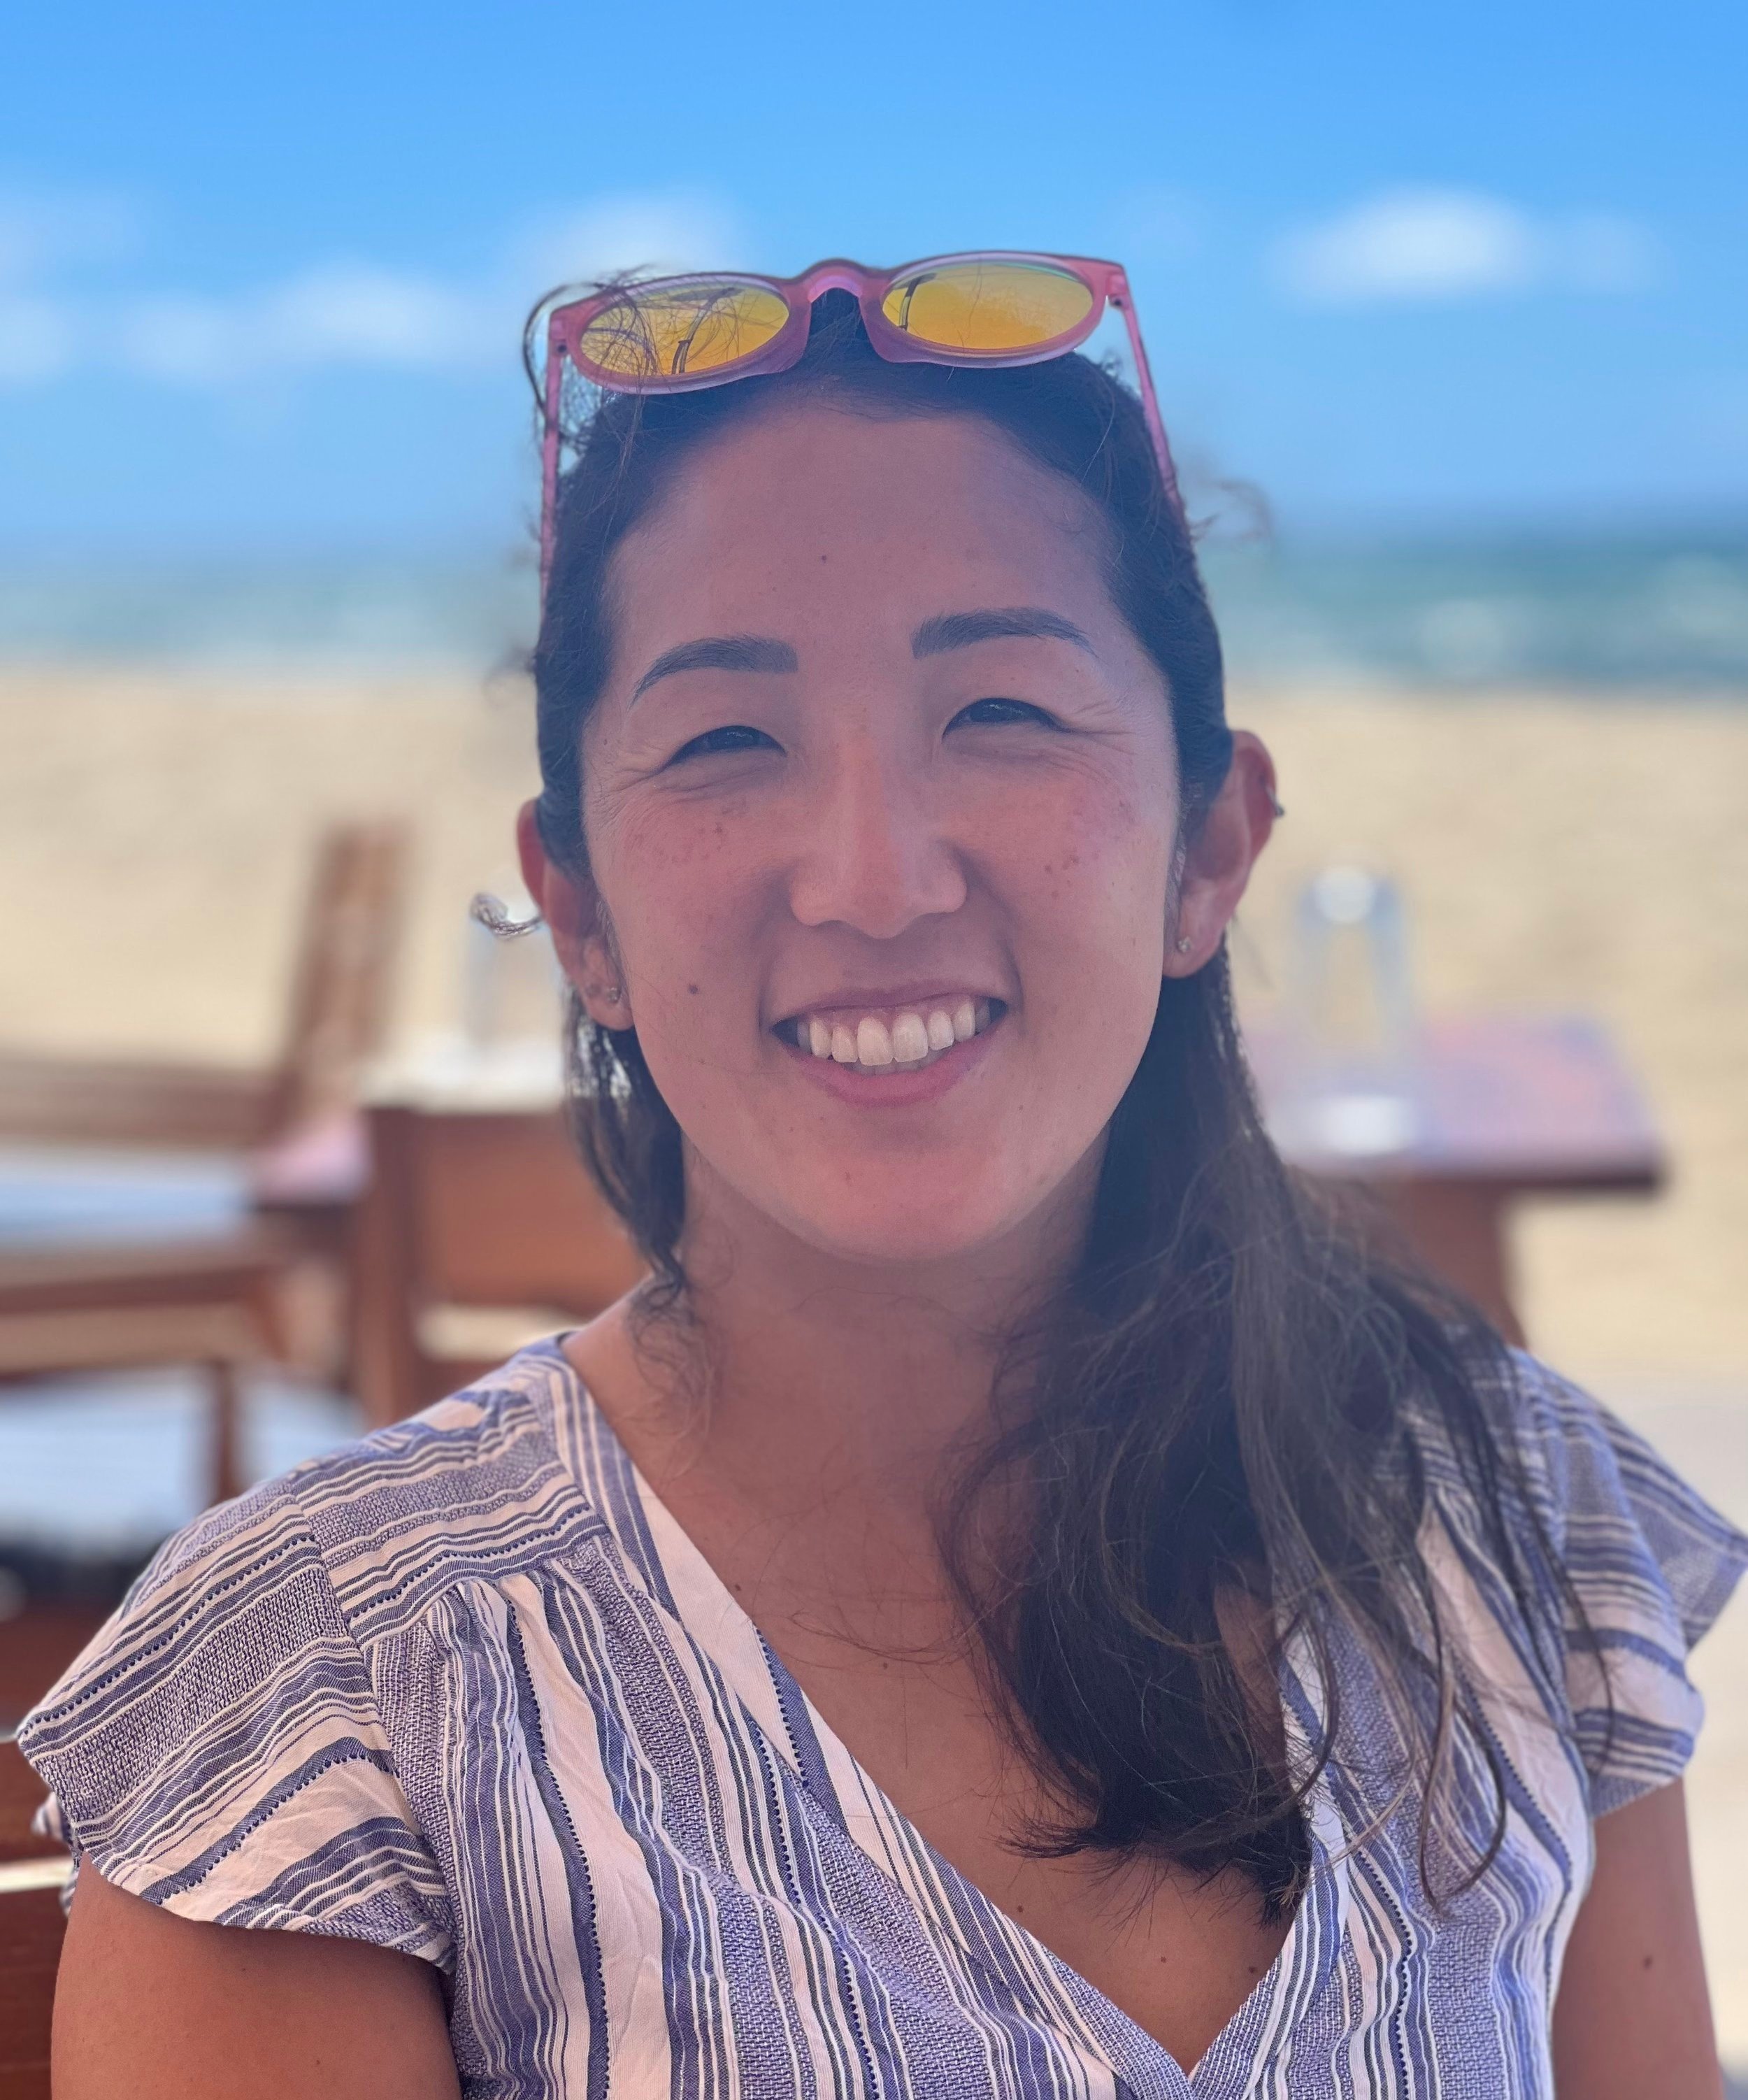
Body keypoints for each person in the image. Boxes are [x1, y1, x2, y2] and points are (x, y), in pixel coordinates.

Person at [22, 255, 1747, 2100]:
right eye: (726, 741)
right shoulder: (327, 1691)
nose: (873, 880)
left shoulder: (1507, 1516)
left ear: (1207, 845)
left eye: (999, 710)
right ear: (578, 912)